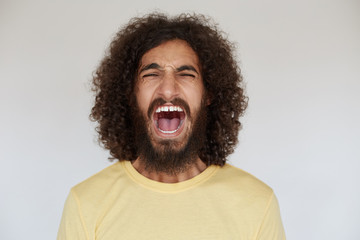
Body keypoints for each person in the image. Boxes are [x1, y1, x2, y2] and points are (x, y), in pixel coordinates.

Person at [57, 13, 286, 239]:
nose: (167, 90)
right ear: (131, 94)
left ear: (209, 94)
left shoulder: (256, 203)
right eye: (151, 74)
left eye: (186, 74)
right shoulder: (85, 203)